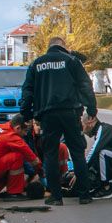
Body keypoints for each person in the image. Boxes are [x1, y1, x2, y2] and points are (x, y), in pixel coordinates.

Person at [20, 36, 97, 205]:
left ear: (49, 47)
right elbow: (85, 85)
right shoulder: (72, 61)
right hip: (70, 113)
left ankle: (56, 197)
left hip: (47, 115)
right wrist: (91, 108)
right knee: (77, 153)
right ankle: (84, 195)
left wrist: (26, 114)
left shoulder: (36, 64)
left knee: (50, 154)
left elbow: (27, 91)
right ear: (63, 46)